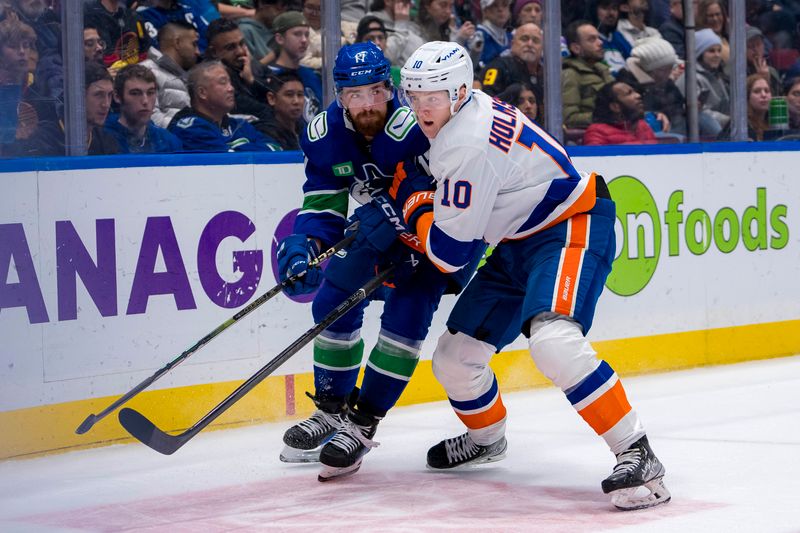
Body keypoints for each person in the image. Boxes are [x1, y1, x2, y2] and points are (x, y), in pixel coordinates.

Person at [399, 41, 670, 511]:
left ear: (460, 92)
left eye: (435, 95)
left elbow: (450, 254)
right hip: (519, 237)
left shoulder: (466, 142)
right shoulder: (465, 112)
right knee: (455, 357)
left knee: (554, 342)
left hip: (571, 224)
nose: (423, 106)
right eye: (415, 95)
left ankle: (637, 453)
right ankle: (487, 439)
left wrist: (414, 203)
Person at [276, 41, 480, 482]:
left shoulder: (421, 125)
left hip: (439, 233)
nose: (367, 104)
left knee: (406, 314)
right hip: (380, 225)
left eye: (374, 92)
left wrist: (414, 229)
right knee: (331, 300)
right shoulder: (324, 135)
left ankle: (363, 421)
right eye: (354, 94)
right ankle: (332, 411)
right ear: (339, 95)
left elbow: (457, 195)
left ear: (390, 90)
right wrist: (305, 245)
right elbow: (323, 206)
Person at [168, 60, 280, 151]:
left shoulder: (240, 125)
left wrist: (234, 148)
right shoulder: (189, 127)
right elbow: (227, 162)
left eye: (230, 83)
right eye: (223, 82)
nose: (231, 88)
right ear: (202, 93)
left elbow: (275, 149)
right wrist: (246, 146)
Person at [21, 61, 119, 156]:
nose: (106, 104)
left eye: (109, 95)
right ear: (78, 97)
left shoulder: (107, 142)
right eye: (98, 95)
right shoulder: (43, 140)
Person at [105, 64, 183, 153]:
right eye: (135, 93)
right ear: (117, 96)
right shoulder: (103, 139)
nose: (145, 101)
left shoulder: (169, 142)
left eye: (150, 93)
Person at [139, 21, 199, 128]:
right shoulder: (145, 71)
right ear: (177, 43)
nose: (198, 52)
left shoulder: (190, 75)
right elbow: (150, 121)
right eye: (194, 44)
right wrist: (192, 128)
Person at [266, 11, 322, 123]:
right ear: (279, 39)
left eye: (307, 34)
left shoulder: (312, 75)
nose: (304, 40)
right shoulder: (268, 75)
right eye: (297, 34)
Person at [562, 20, 614, 129]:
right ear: (576, 48)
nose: (600, 42)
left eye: (598, 38)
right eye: (592, 39)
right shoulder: (571, 74)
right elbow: (569, 118)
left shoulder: (604, 71)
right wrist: (604, 117)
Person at [583, 80, 658, 144]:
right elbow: (596, 159)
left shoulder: (643, 125)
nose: (638, 95)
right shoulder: (597, 132)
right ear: (615, 107)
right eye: (629, 93)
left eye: (635, 92)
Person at [480, 23, 543, 96]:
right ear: (512, 43)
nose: (530, 44)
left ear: (542, 48)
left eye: (536, 41)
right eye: (524, 39)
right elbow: (486, 98)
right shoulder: (498, 67)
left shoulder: (545, 75)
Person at [261, 71, 304, 150]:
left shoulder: (306, 129)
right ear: (272, 98)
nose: (296, 101)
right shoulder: (265, 133)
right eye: (289, 95)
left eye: (300, 95)